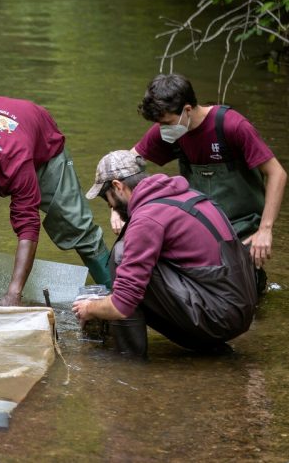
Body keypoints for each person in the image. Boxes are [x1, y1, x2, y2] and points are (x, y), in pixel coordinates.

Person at [74, 150, 258, 358]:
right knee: (133, 267)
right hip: (239, 308)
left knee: (121, 255)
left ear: (118, 186)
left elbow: (123, 304)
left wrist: (90, 308)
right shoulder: (190, 195)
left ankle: (127, 360)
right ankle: (209, 346)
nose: (110, 206)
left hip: (219, 316)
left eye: (106, 198)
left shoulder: (148, 217)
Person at [0, 96, 111, 306]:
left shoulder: (18, 160)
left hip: (41, 148)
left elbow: (28, 226)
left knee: (76, 224)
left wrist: (14, 293)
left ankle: (117, 292)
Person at [113, 74, 287, 288]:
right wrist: (118, 206)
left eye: (166, 122)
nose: (162, 128)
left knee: (238, 287)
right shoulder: (171, 129)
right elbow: (127, 164)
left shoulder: (232, 126)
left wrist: (265, 229)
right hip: (200, 223)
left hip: (242, 225)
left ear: (186, 110)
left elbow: (277, 173)